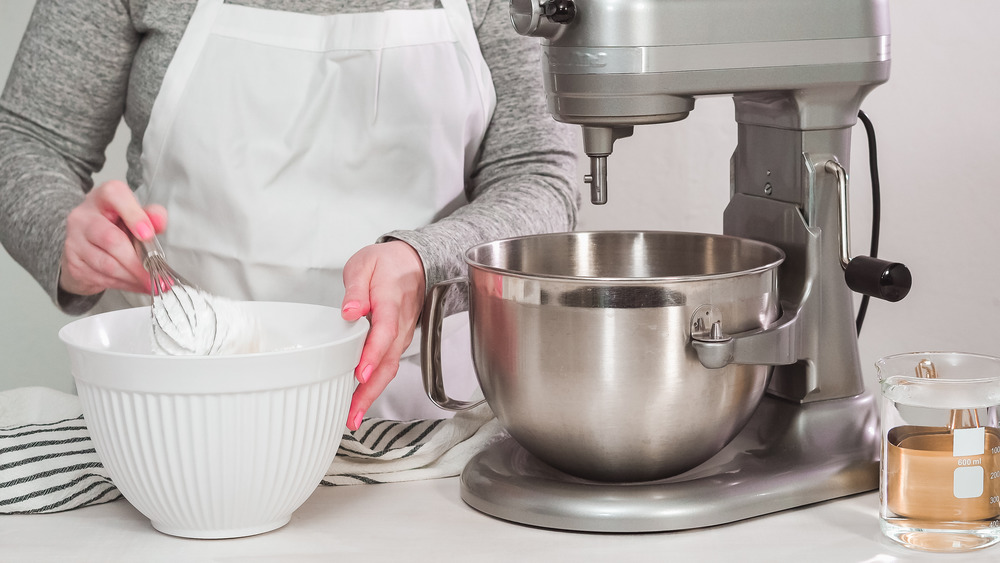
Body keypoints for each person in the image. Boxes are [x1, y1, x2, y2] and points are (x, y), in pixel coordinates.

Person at [0, 0, 578, 430]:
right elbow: (25, 140)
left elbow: (539, 174)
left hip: (424, 420)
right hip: (167, 414)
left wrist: (425, 263)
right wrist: (63, 235)